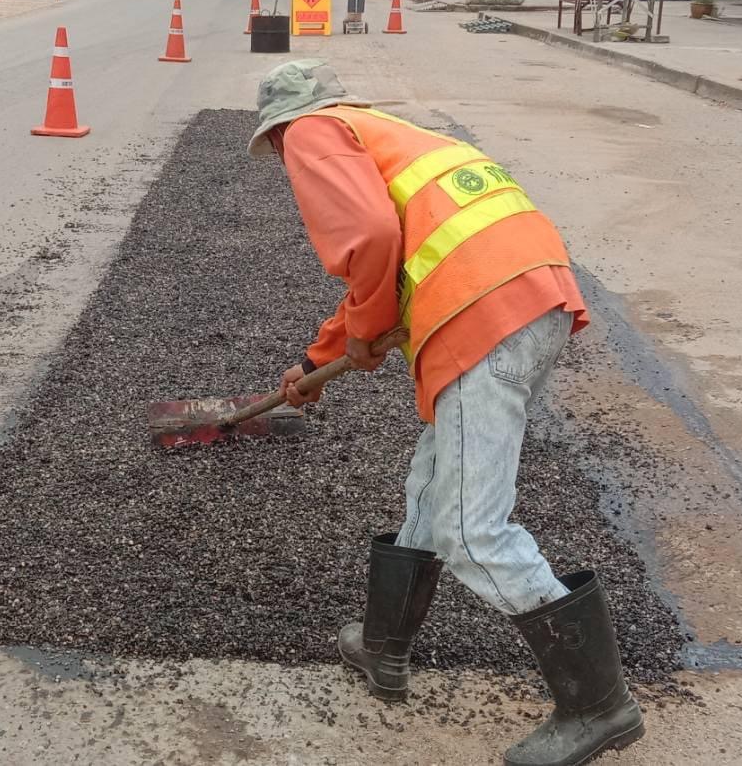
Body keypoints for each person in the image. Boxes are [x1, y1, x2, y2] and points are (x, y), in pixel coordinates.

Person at [249, 60, 643, 766]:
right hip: (530, 298)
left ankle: (598, 705)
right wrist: (317, 362)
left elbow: (371, 240)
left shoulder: (310, 131)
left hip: (482, 316)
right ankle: (382, 648)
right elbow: (398, 261)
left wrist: (367, 327)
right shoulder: (392, 135)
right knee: (431, 491)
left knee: (470, 529)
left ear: (279, 133)